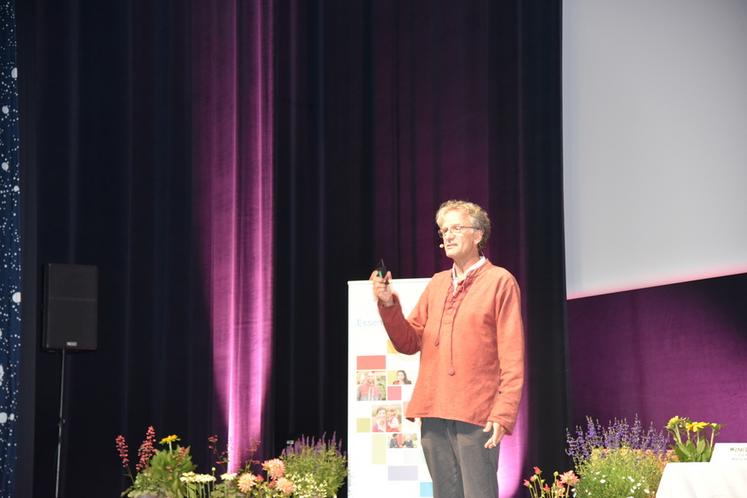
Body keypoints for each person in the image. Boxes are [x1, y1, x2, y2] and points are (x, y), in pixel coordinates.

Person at [370, 199, 524, 498]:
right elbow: (408, 342)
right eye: (443, 230)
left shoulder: (499, 282)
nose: (448, 236)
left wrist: (503, 414)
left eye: (456, 228)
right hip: (433, 409)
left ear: (478, 235)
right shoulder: (438, 284)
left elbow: (513, 357)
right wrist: (388, 304)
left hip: (476, 413)